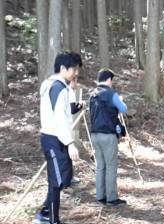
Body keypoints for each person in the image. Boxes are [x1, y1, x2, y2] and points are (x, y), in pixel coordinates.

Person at [33, 51, 83, 224]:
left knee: (64, 178)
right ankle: (51, 218)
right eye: (73, 69)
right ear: (62, 68)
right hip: (53, 138)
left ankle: (47, 211)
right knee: (57, 181)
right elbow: (60, 119)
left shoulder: (52, 85)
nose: (75, 73)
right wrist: (70, 144)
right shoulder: (57, 87)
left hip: (57, 138)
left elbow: (65, 112)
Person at [89, 69, 128, 206]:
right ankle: (111, 198)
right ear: (109, 80)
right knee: (111, 166)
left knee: (100, 166)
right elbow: (123, 109)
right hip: (108, 135)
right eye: (112, 80)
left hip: (94, 134)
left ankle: (100, 196)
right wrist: (121, 101)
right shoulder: (111, 94)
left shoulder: (92, 94)